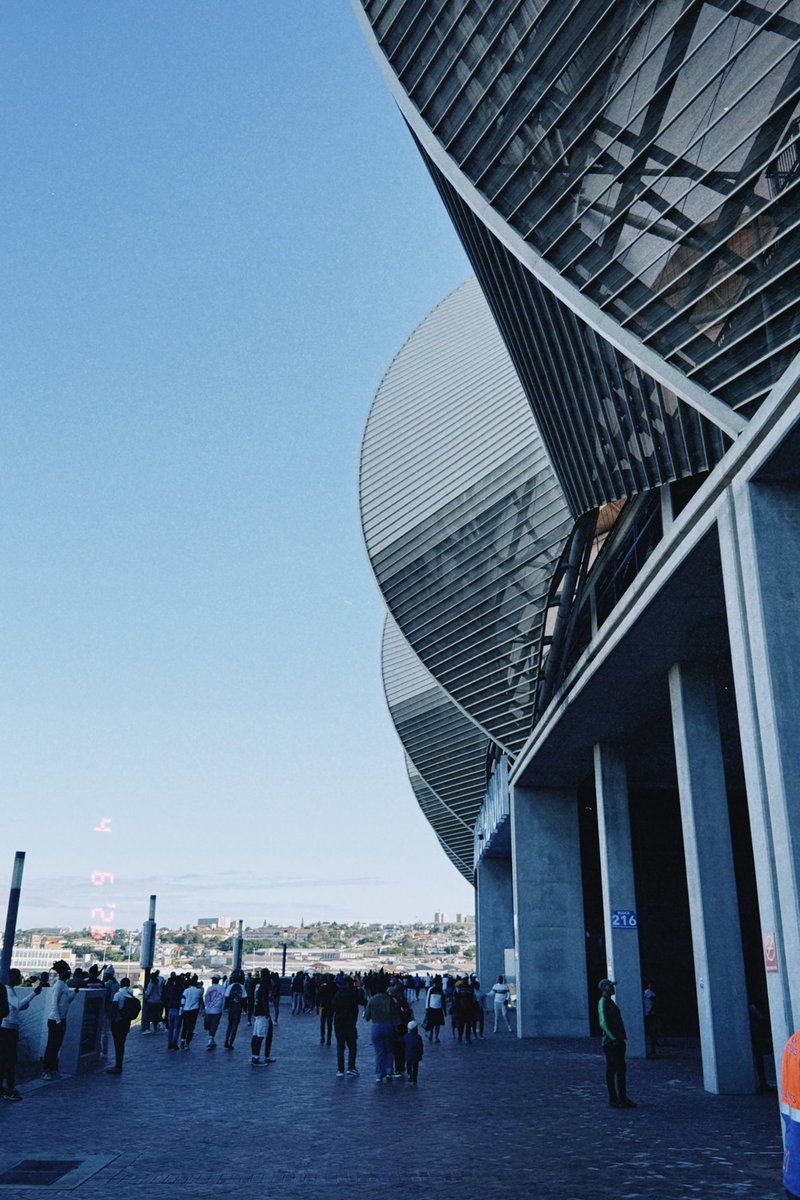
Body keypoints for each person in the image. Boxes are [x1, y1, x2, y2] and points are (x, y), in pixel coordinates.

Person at [0, 968, 38, 1100]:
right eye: (18, 976)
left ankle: (5, 1088)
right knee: (10, 1060)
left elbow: (16, 1007)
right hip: (9, 1031)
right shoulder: (8, 991)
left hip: (8, 1029)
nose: (20, 978)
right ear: (13, 978)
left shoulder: (9, 991)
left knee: (5, 1060)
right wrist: (33, 993)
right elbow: (17, 1005)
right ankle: (10, 1089)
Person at [598, 979, 636, 1108]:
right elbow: (603, 1023)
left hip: (617, 1041)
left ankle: (622, 1098)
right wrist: (613, 1039)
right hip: (611, 1043)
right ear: (605, 988)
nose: (613, 988)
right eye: (611, 986)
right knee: (612, 1070)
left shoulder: (610, 1002)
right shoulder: (603, 1002)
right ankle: (614, 1099)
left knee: (620, 1070)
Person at [41, 960, 75, 1079]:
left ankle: (52, 1068)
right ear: (62, 973)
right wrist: (58, 1021)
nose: (69, 974)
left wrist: (74, 993)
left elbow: (66, 1002)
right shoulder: (58, 985)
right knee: (52, 1045)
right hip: (56, 1020)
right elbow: (54, 1004)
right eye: (67, 972)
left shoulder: (65, 985)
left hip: (61, 1019)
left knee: (56, 1045)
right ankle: (46, 1070)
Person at [106, 978, 140, 1074]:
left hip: (117, 1023)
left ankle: (118, 1065)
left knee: (117, 1044)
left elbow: (113, 1009)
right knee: (122, 1044)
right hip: (126, 1023)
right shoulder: (130, 995)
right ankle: (119, 1064)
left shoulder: (118, 995)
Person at [333, 976, 364, 1077]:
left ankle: (340, 1069)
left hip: (339, 1024)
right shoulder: (353, 994)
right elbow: (363, 1001)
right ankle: (351, 1067)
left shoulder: (338, 994)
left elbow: (334, 1007)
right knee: (352, 1047)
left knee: (340, 1048)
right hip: (350, 1024)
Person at [364, 979, 395, 1083]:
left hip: (376, 1026)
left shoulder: (372, 1000)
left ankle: (378, 1075)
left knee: (379, 1052)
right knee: (389, 1050)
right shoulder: (389, 1000)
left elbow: (367, 1016)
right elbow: (395, 1016)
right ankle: (389, 1072)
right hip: (388, 1026)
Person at [250, 969, 276, 1066]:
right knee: (260, 1036)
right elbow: (264, 999)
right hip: (262, 1013)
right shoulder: (265, 985)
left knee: (255, 1035)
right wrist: (266, 1012)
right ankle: (257, 1058)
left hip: (257, 1012)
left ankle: (254, 1056)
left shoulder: (258, 984)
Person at [179, 975, 203, 1050]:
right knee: (191, 1028)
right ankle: (187, 1043)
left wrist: (180, 1012)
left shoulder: (186, 991)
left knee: (185, 1026)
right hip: (194, 1011)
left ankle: (182, 1040)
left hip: (186, 1010)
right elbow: (202, 992)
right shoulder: (199, 991)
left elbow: (182, 1002)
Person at [223, 970, 245, 1049]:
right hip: (238, 1008)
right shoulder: (242, 987)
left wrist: (226, 1007)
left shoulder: (230, 986)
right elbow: (244, 998)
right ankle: (231, 1043)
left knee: (229, 1024)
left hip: (231, 1008)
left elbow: (226, 997)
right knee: (235, 1026)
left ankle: (226, 1040)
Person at [162, 973, 184, 1051]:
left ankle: (169, 1043)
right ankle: (174, 1043)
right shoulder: (182, 990)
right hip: (178, 1010)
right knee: (176, 1028)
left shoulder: (170, 989)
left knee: (170, 1028)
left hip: (170, 1009)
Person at [203, 975, 225, 1049]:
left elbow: (206, 998)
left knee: (210, 1024)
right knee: (214, 1024)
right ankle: (211, 1039)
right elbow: (223, 999)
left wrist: (206, 1006)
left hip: (209, 1009)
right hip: (217, 1009)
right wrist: (222, 1008)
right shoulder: (222, 988)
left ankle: (211, 1038)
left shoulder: (209, 988)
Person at [424, 977, 445, 1043]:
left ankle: (436, 1037)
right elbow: (427, 999)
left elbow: (443, 1001)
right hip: (431, 1009)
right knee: (431, 1024)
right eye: (438, 983)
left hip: (439, 1009)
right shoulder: (431, 989)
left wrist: (445, 1010)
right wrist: (427, 1008)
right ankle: (431, 1035)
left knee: (437, 1024)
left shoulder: (440, 990)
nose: (439, 984)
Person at [405, 1020, 424, 1085]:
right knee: (415, 1068)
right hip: (416, 1056)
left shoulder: (407, 1036)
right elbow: (421, 1047)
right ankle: (414, 1079)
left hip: (408, 1055)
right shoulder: (418, 1037)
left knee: (408, 1065)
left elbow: (401, 1041)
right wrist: (421, 1054)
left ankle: (410, 1075)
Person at [643, 983, 658, 1059]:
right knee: (651, 1032)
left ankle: (653, 1050)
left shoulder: (650, 992)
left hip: (650, 1013)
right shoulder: (648, 992)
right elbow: (653, 1000)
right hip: (649, 1013)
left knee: (652, 1033)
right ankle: (652, 1051)